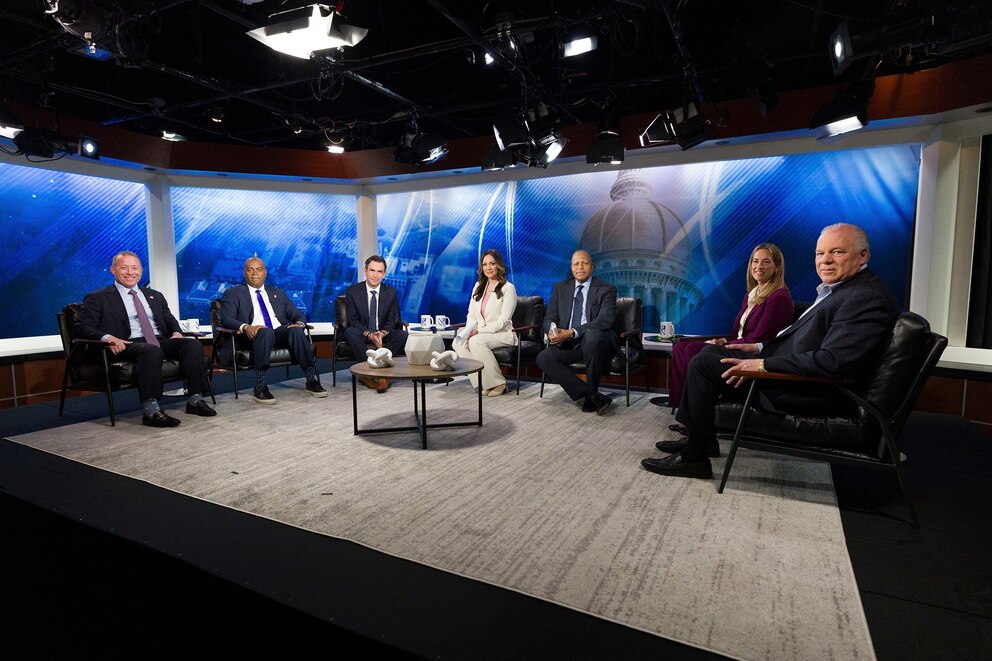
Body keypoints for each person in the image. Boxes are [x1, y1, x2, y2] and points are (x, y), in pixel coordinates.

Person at [641, 223, 899, 479]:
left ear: (863, 255)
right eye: (820, 253)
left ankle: (693, 458)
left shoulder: (864, 296)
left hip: (808, 388)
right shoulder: (842, 291)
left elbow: (834, 362)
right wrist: (757, 349)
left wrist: (761, 365)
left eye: (837, 252)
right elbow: (802, 340)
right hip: (792, 371)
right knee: (707, 355)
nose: (826, 260)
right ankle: (702, 440)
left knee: (703, 364)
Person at [664, 243, 794, 446]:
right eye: (755, 261)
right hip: (738, 344)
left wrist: (726, 344)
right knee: (681, 346)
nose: (758, 266)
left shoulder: (778, 297)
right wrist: (724, 340)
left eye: (766, 262)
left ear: (777, 267)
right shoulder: (752, 294)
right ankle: (685, 411)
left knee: (694, 351)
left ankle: (690, 420)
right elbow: (740, 332)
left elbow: (758, 340)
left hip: (753, 354)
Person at [75, 250, 216, 427]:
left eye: (135, 268)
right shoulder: (97, 297)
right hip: (125, 344)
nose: (130, 272)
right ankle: (151, 410)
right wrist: (108, 338)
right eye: (124, 268)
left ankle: (195, 400)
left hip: (157, 340)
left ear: (141, 271)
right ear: (113, 270)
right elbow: (82, 327)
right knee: (150, 350)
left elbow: (169, 318)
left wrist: (177, 332)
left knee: (192, 344)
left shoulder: (154, 295)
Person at [218, 257, 327, 404]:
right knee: (266, 331)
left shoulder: (278, 293)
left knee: (295, 331)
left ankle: (311, 380)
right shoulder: (232, 294)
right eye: (250, 270)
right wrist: (246, 327)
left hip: (277, 332)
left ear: (265, 272)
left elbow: (297, 315)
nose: (255, 273)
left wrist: (300, 323)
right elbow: (225, 319)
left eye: (259, 269)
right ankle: (260, 386)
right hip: (252, 335)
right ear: (244, 273)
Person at [537, 249, 618, 415]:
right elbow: (549, 318)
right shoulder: (560, 288)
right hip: (570, 345)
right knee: (543, 358)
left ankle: (592, 391)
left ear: (592, 267)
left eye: (584, 263)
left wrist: (572, 332)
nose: (580, 267)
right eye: (576, 263)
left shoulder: (606, 289)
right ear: (571, 267)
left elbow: (605, 320)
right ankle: (592, 395)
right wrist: (553, 331)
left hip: (596, 342)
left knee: (592, 336)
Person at [453, 249, 518, 396]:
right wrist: (468, 330)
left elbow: (504, 321)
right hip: (480, 332)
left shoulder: (508, 288)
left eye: (492, 264)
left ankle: (498, 383)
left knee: (476, 341)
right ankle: (481, 382)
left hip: (501, 334)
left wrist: (479, 332)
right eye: (485, 264)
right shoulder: (478, 286)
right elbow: (472, 314)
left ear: (499, 265)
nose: (488, 267)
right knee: (458, 342)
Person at [343, 255, 408, 393]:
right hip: (363, 332)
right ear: (365, 271)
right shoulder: (352, 291)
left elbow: (392, 319)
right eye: (372, 270)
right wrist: (370, 335)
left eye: (379, 272)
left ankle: (375, 373)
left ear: (384, 274)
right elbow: (352, 320)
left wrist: (383, 333)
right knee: (349, 333)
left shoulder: (391, 292)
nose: (375, 275)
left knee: (402, 335)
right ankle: (372, 373)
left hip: (382, 333)